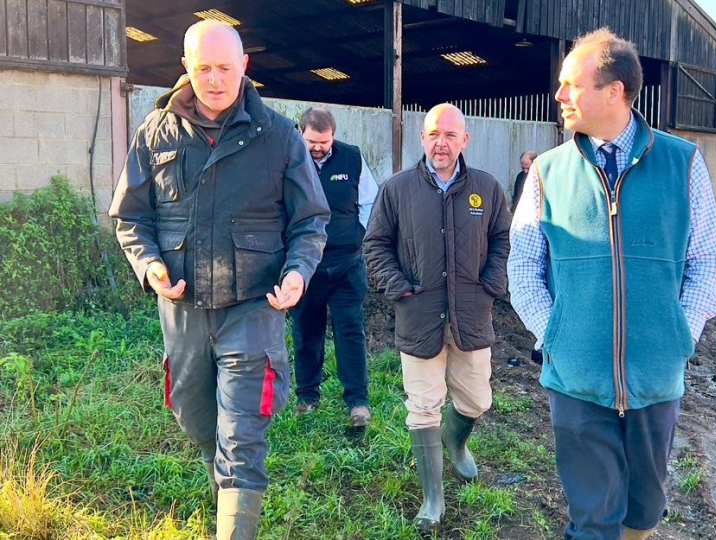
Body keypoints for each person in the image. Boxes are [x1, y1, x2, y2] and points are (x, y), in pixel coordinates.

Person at [108, 20, 330, 540]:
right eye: (203, 67)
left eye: (225, 68)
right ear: (185, 66)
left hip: (254, 307)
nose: (213, 79)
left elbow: (310, 221)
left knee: (243, 436)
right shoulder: (155, 131)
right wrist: (148, 264)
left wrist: (298, 272)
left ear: (244, 67)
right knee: (194, 416)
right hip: (183, 310)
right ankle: (225, 483)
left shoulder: (278, 136)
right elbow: (129, 217)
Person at [508, 28, 716, 540]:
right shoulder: (547, 172)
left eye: (571, 84)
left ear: (615, 91)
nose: (559, 96)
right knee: (592, 519)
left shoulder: (684, 163)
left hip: (655, 379)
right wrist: (555, 336)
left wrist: (679, 335)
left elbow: (707, 263)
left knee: (643, 510)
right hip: (577, 382)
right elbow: (522, 268)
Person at [364, 103, 511, 533]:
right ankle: (433, 496)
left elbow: (503, 238)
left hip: (472, 313)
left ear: (464, 140)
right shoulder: (398, 189)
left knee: (477, 400)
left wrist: (490, 281)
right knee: (423, 406)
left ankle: (456, 441)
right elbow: (375, 245)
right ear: (422, 138)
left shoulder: (487, 188)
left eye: (450, 135)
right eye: (433, 134)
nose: (440, 142)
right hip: (419, 313)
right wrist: (397, 286)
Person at [291, 107, 378, 427]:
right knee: (305, 332)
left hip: (346, 265)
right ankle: (307, 397)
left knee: (350, 331)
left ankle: (358, 402)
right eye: (313, 141)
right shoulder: (289, 159)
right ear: (301, 134)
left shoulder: (352, 158)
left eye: (325, 142)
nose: (319, 147)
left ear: (334, 136)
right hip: (305, 267)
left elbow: (371, 200)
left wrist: (357, 234)